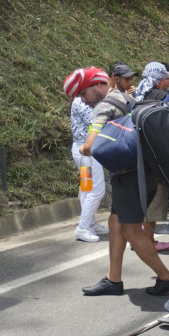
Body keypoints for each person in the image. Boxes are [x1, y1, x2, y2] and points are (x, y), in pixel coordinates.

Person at [65, 67, 169, 297]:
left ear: (97, 85)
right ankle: (113, 279)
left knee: (131, 231)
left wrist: (83, 147)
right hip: (139, 171)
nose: (83, 100)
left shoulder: (105, 105)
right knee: (115, 224)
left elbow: (89, 144)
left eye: (83, 93)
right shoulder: (125, 97)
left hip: (130, 176)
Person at [134, 61, 169, 252]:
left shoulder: (137, 95)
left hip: (139, 154)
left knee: (143, 197)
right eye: (166, 78)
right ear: (159, 80)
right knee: (155, 200)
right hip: (157, 155)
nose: (168, 82)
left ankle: (140, 239)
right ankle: (149, 242)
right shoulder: (163, 97)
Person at [70, 92, 107, 243]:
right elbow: (97, 120)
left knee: (87, 188)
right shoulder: (81, 101)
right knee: (97, 190)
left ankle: (90, 223)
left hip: (83, 149)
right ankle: (83, 228)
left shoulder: (79, 99)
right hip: (86, 150)